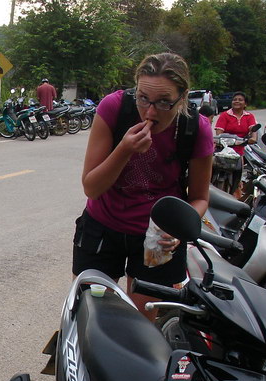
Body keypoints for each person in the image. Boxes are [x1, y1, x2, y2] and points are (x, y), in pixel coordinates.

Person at [75, 52, 213, 320]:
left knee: (139, 327)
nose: (150, 112)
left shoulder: (197, 128)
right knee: (88, 317)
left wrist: (179, 230)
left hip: (158, 241)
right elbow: (91, 187)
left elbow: (199, 198)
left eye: (163, 102)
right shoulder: (114, 108)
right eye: (143, 99)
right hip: (103, 224)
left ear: (182, 98)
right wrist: (124, 149)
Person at [213, 91, 257, 156]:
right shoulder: (224, 115)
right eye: (234, 100)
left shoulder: (249, 116)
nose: (237, 101)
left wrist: (253, 138)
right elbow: (219, 134)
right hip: (225, 149)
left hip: (241, 149)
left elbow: (253, 131)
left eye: (240, 100)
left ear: (245, 104)